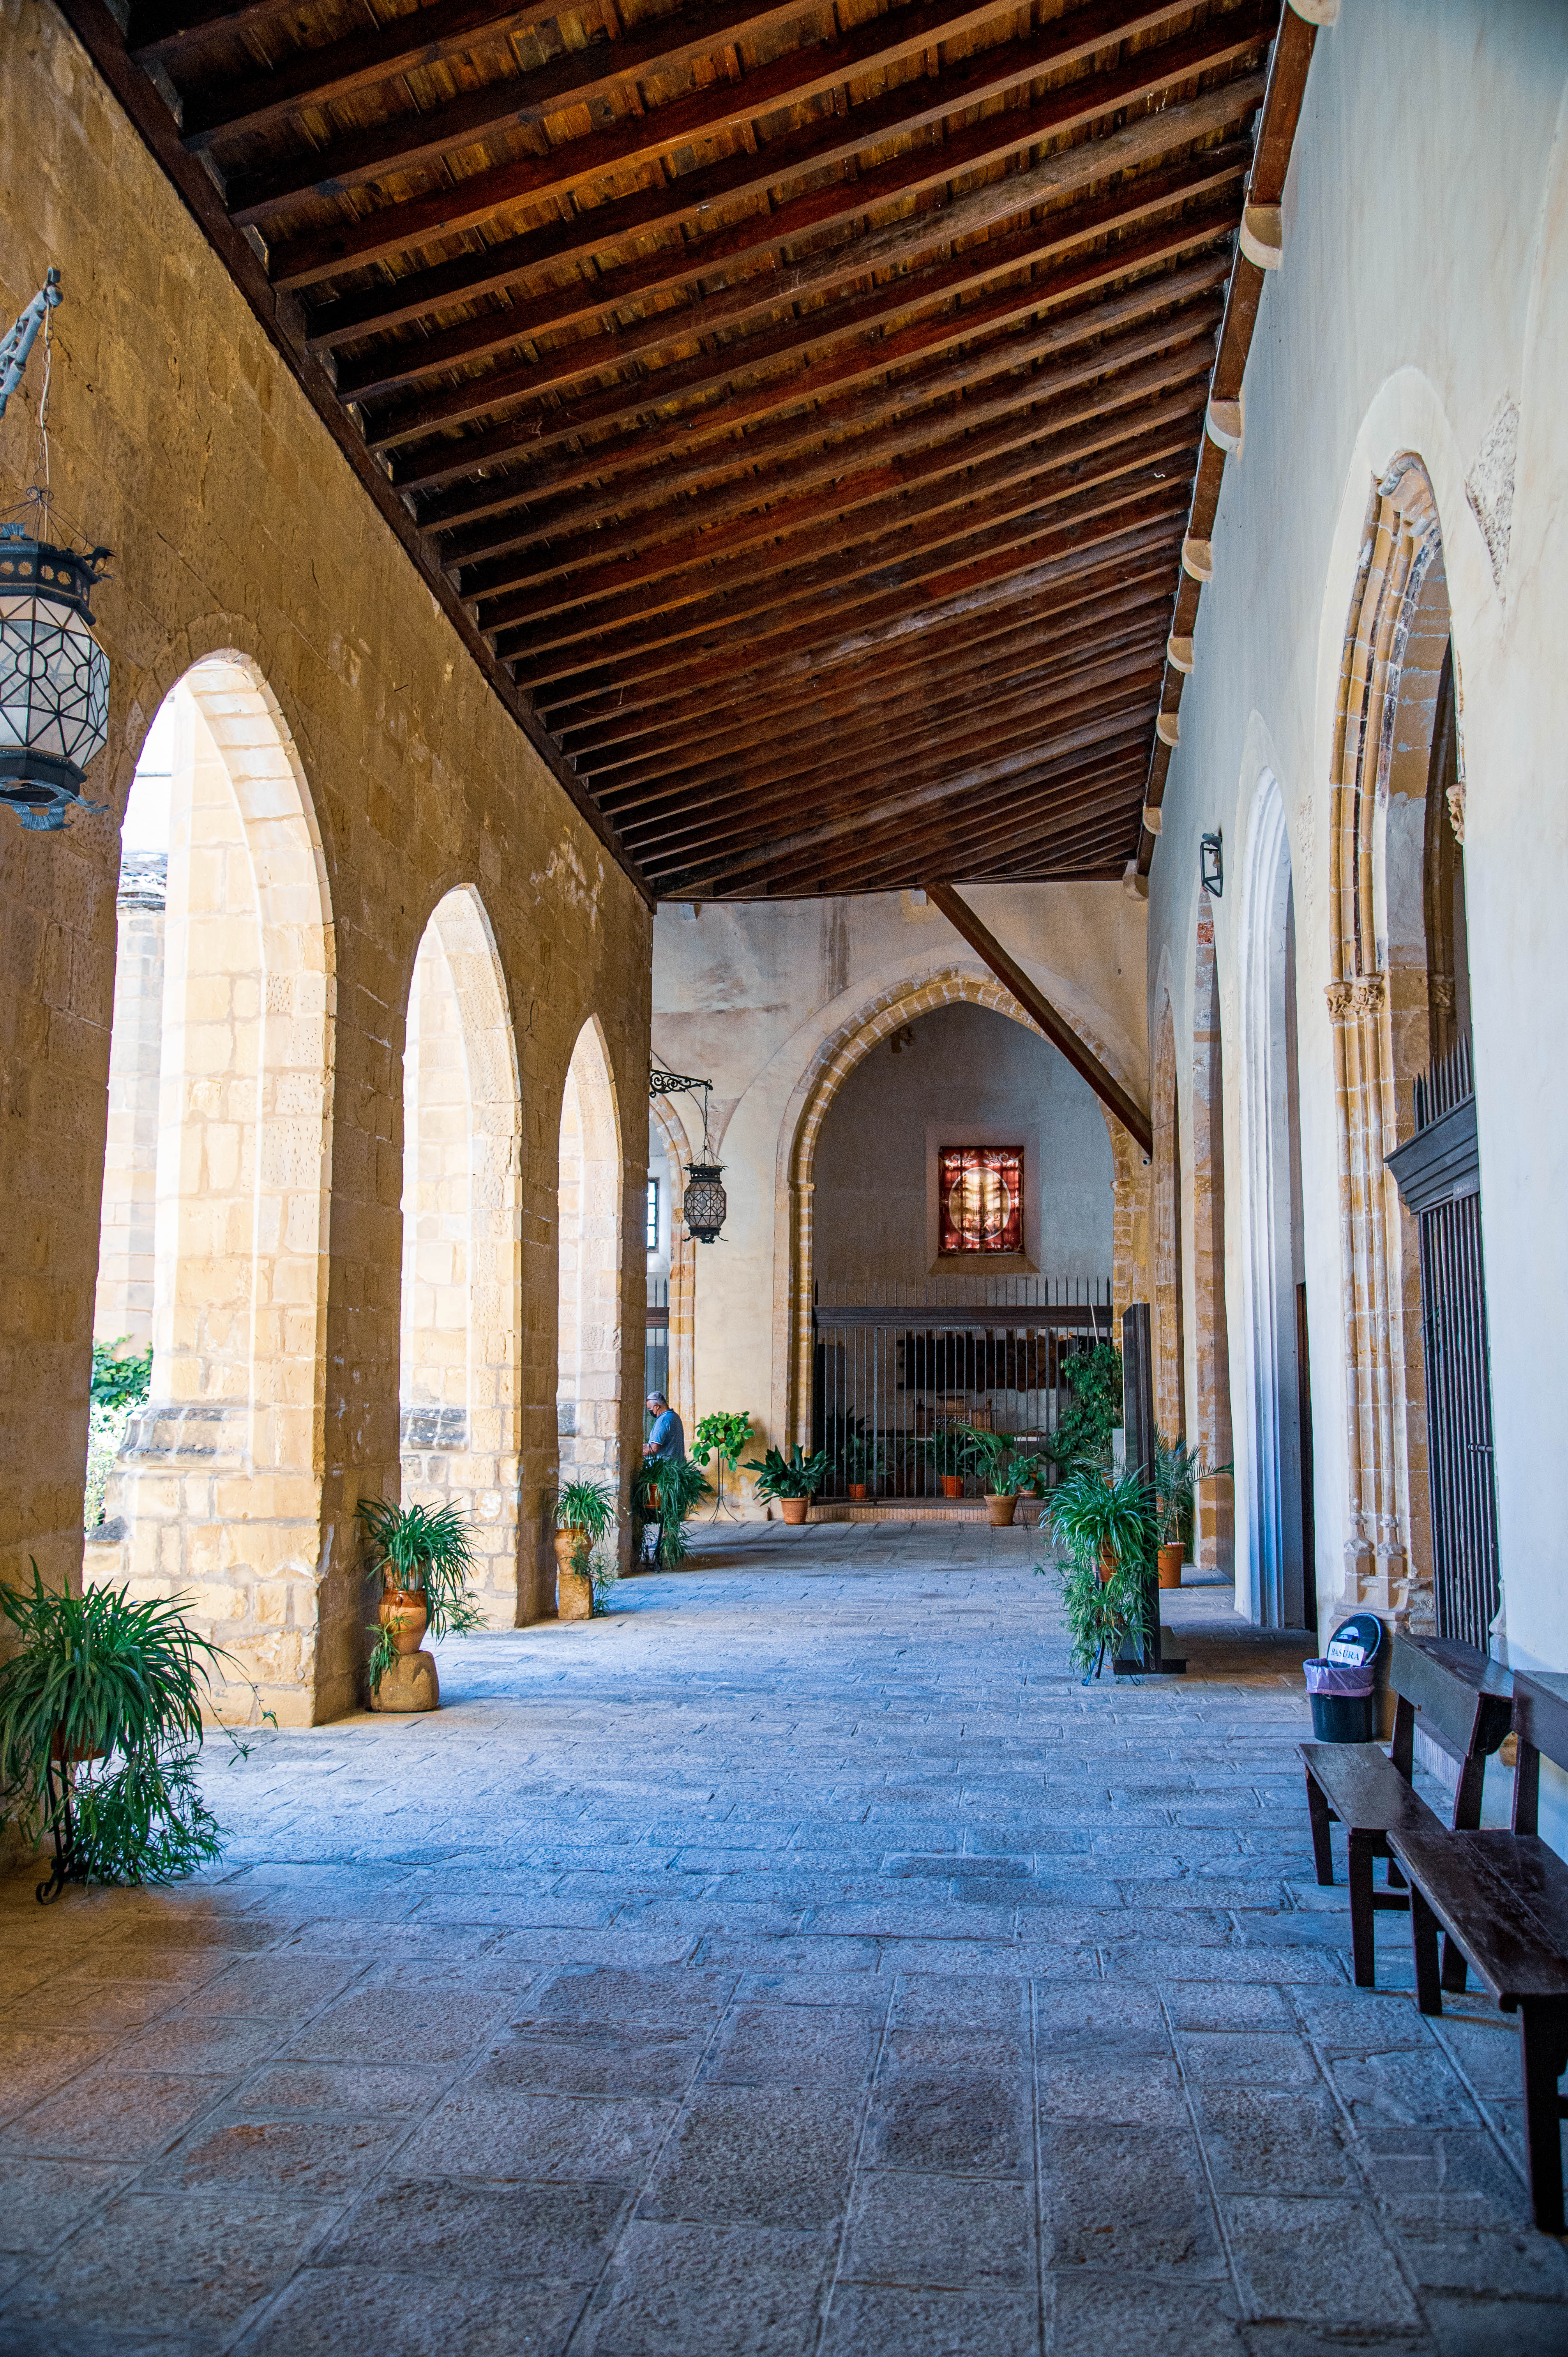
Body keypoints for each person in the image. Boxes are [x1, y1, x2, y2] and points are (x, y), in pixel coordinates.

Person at [645, 1391, 686, 1463]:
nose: (650, 1411)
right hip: (674, 1465)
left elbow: (654, 1449)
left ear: (657, 1407)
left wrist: (638, 1452)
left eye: (650, 1408)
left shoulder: (663, 1421)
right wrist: (648, 1446)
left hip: (661, 1467)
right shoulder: (674, 1416)